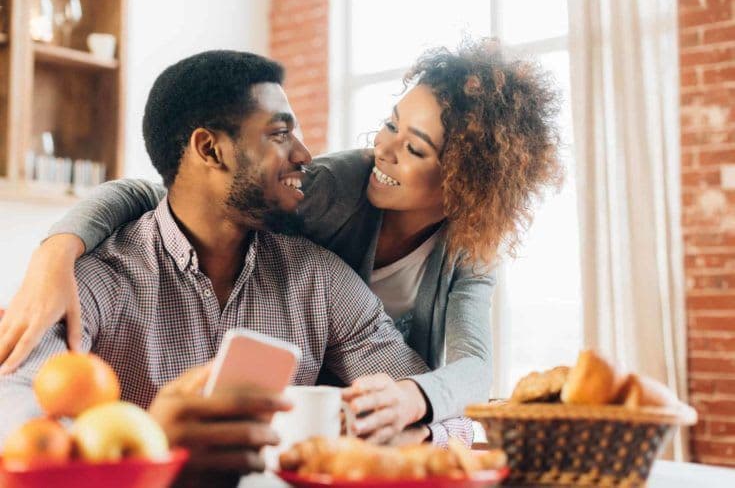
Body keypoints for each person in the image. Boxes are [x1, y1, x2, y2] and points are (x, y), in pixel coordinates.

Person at [0, 39, 562, 442]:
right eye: (279, 133)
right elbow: (16, 426)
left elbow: (455, 406)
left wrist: (411, 423)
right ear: (210, 149)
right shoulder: (88, 284)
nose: (304, 154)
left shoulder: (319, 279)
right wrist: (60, 248)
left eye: (417, 149)